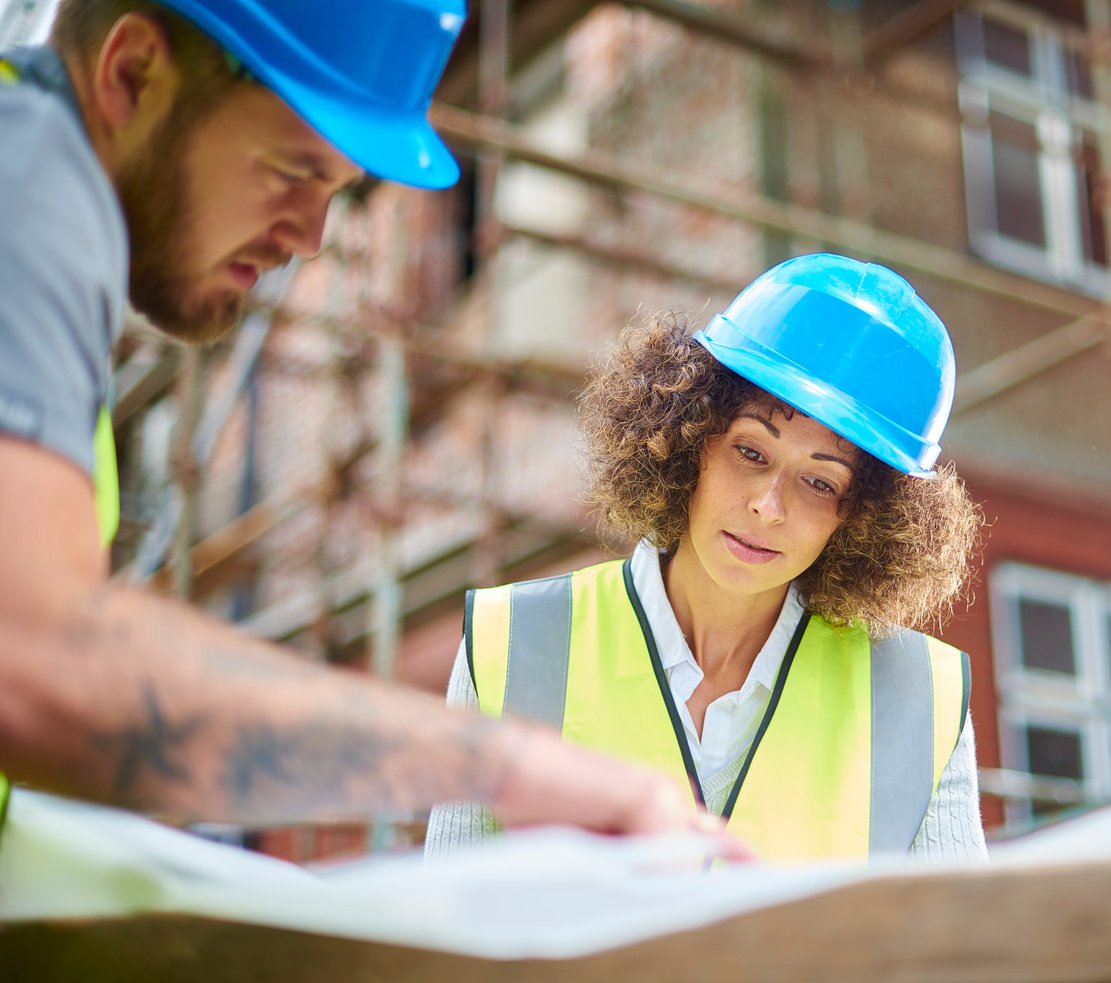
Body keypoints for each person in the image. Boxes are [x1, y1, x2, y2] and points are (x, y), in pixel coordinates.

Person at [0, 0, 733, 850]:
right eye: (288, 170)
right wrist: (514, 766)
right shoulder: (28, 177)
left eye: (338, 193)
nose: (309, 239)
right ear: (132, 73)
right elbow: (39, 666)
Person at [427, 253, 987, 862]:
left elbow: (963, 956)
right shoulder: (511, 643)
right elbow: (447, 932)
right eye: (751, 452)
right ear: (692, 436)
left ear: (859, 516)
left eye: (820, 483)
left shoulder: (919, 697)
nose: (769, 507)